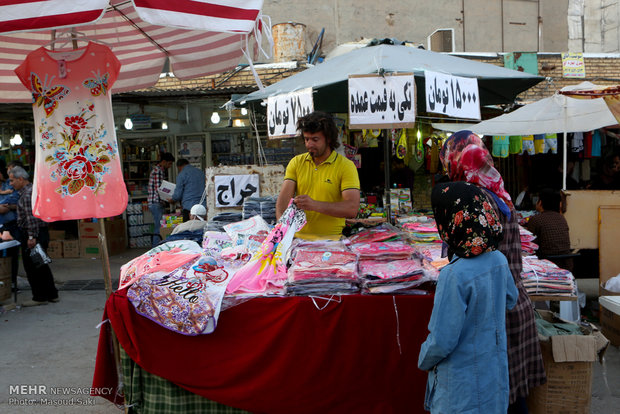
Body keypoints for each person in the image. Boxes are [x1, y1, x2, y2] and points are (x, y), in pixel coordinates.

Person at [440, 130, 546, 413]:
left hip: (493, 311)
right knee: (512, 394)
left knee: (498, 395)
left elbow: (467, 262)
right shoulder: (501, 196)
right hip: (514, 302)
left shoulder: (473, 203)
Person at [419, 181, 518, 413]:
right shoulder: (498, 260)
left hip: (460, 388)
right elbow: (510, 299)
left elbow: (442, 341)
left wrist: (423, 358)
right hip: (493, 378)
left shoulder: (454, 274)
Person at [276, 111, 360, 240]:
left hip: (331, 241)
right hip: (297, 241)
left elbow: (351, 209)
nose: (309, 144)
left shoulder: (346, 166)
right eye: (306, 139)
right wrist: (283, 231)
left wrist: (314, 205)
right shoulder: (296, 162)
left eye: (315, 139)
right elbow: (282, 203)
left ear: (329, 139)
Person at [9, 166, 59, 307]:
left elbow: (31, 218)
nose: (11, 184)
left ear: (20, 179)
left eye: (12, 180)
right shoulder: (33, 191)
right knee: (41, 264)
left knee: (32, 267)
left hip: (33, 234)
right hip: (39, 233)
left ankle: (39, 296)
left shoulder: (27, 195)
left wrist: (31, 237)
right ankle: (52, 294)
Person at [526, 188, 573, 271]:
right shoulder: (561, 218)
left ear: (540, 203)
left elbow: (530, 246)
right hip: (566, 264)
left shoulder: (536, 219)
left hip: (546, 264)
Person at [148, 152, 175, 246]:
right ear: (164, 161)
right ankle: (156, 248)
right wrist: (168, 199)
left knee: (158, 225)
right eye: (169, 163)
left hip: (154, 202)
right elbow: (159, 189)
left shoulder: (158, 170)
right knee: (158, 227)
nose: (170, 166)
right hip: (156, 203)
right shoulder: (158, 171)